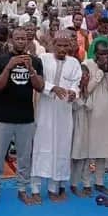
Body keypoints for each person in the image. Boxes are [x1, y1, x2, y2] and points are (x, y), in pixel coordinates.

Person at [0, 27, 44, 206]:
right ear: (11, 40)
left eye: (24, 39)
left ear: (28, 41)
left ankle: (22, 190)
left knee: (24, 157)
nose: (21, 41)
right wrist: (9, 66)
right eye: (18, 38)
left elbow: (39, 87)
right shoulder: (1, 60)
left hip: (26, 116)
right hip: (3, 116)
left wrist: (30, 68)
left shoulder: (36, 61)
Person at [31, 31, 82, 203]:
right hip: (45, 110)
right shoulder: (44, 59)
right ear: (53, 44)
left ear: (70, 47)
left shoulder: (74, 63)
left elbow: (76, 85)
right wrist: (53, 88)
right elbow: (38, 80)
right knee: (41, 146)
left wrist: (74, 93)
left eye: (65, 46)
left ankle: (53, 188)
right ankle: (35, 188)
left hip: (64, 112)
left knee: (61, 148)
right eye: (59, 45)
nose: (62, 49)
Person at [85, 41, 108, 194]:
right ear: (95, 54)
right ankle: (85, 183)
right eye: (101, 54)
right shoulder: (87, 64)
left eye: (107, 54)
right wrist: (99, 72)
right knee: (89, 148)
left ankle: (99, 182)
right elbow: (88, 88)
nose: (104, 57)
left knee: (103, 148)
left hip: (107, 111)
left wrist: (107, 73)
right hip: (91, 112)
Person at [70, 65, 91, 197]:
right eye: (83, 76)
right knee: (75, 155)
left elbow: (90, 106)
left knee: (86, 155)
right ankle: (73, 183)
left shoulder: (88, 90)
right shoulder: (73, 90)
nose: (85, 78)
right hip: (75, 124)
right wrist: (81, 89)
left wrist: (85, 89)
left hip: (87, 125)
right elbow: (77, 105)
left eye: (87, 75)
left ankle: (86, 182)